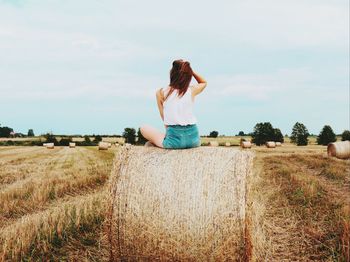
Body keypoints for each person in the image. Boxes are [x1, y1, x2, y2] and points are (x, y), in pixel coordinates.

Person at [140, 59, 207, 149]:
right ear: (188, 75)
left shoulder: (161, 92)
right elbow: (203, 82)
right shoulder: (192, 90)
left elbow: (165, 120)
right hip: (194, 140)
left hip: (174, 142)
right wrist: (191, 71)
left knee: (143, 128)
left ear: (172, 73)